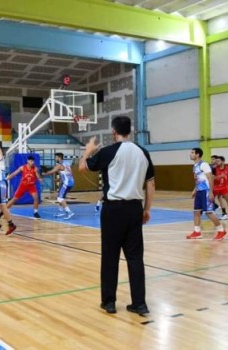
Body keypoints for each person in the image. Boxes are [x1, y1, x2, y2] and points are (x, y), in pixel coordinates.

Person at [78, 116, 154, 316]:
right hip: (134, 209)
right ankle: (140, 303)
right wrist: (147, 209)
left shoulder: (108, 152)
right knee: (135, 258)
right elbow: (151, 184)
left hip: (113, 210)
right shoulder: (143, 152)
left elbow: (82, 167)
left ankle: (109, 302)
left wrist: (88, 150)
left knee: (110, 257)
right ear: (130, 130)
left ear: (114, 131)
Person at [186, 148, 227, 240]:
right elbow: (197, 180)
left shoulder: (203, 165)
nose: (190, 154)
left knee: (209, 212)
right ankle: (197, 232)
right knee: (196, 212)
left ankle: (221, 230)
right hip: (199, 192)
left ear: (197, 155)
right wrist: (195, 190)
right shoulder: (195, 166)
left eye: (192, 152)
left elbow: (211, 178)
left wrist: (211, 192)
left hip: (206, 191)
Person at [42, 153, 75, 220]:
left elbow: (51, 172)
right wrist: (58, 179)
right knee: (61, 196)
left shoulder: (59, 165)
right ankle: (60, 211)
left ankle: (69, 212)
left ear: (59, 158)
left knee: (60, 198)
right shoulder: (67, 163)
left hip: (66, 183)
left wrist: (43, 174)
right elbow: (69, 173)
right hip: (70, 182)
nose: (55, 158)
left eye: (56, 157)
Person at [214, 156, 228, 222]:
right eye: (216, 161)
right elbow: (212, 178)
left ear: (223, 161)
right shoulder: (214, 169)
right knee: (211, 200)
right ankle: (221, 212)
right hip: (216, 187)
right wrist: (219, 176)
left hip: (224, 187)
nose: (217, 162)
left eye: (218, 161)